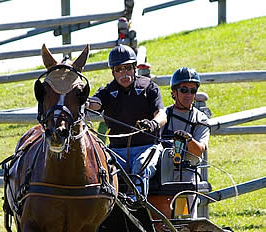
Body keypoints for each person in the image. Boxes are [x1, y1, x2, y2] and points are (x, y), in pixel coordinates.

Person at [88, 44, 166, 201]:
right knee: (105, 170)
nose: (124, 73)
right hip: (117, 151)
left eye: (128, 68)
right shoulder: (107, 91)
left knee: (141, 166)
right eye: (119, 69)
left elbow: (162, 114)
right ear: (113, 72)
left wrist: (153, 123)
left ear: (135, 68)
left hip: (147, 147)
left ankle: (136, 205)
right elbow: (94, 104)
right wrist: (82, 101)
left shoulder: (149, 87)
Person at [161, 67, 210, 218]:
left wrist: (188, 139)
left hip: (187, 173)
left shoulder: (200, 119)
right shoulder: (163, 115)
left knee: (184, 218)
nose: (189, 94)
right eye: (184, 90)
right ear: (174, 92)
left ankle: (187, 228)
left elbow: (199, 150)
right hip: (162, 172)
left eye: (192, 90)